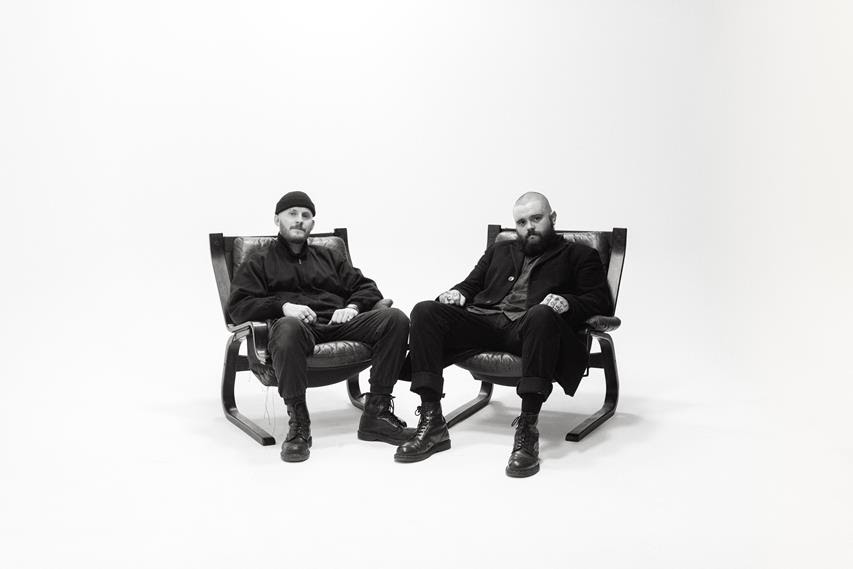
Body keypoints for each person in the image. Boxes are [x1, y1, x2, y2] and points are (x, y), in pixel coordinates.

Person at [395, 192, 613, 477]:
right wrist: (457, 293)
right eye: (522, 222)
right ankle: (432, 422)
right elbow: (471, 285)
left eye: (536, 218)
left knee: (541, 313)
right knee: (426, 310)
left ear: (553, 218)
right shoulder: (500, 250)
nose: (529, 227)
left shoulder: (580, 255)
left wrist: (568, 302)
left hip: (529, 330)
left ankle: (527, 430)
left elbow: (600, 302)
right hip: (485, 323)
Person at [227, 191, 413, 463]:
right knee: (287, 327)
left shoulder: (329, 257)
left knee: (395, 319)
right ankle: (299, 425)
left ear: (312, 224)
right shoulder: (259, 260)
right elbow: (238, 306)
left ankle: (377, 413)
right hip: (298, 329)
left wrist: (352, 307)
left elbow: (367, 288)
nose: (299, 220)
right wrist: (282, 306)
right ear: (277, 219)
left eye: (306, 216)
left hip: (339, 324)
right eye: (292, 214)